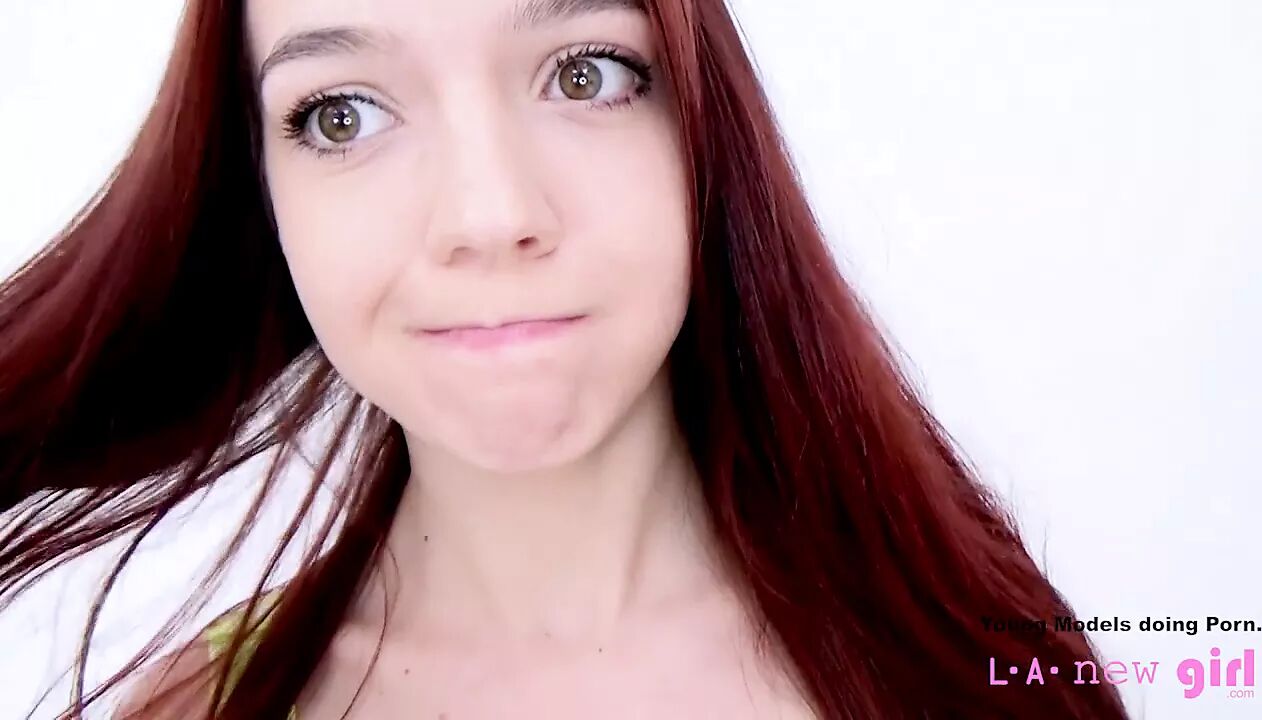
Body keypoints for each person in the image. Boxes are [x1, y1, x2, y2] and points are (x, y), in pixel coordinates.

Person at [0, 0, 1132, 718]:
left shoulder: (973, 666)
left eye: (584, 73)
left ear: (705, 126)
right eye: (342, 115)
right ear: (261, 198)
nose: (491, 216)